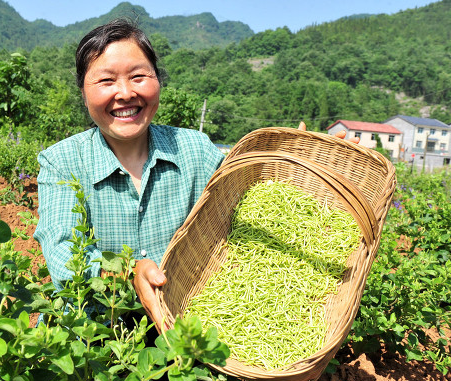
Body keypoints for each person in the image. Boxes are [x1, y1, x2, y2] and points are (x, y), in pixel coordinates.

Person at [33, 18, 359, 330]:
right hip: (96, 342)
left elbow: (250, 200)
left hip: (187, 331)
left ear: (158, 80)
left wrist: (300, 161)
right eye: (106, 81)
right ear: (83, 91)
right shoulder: (62, 162)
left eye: (138, 76)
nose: (125, 93)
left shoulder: (194, 149)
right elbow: (65, 259)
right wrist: (128, 274)